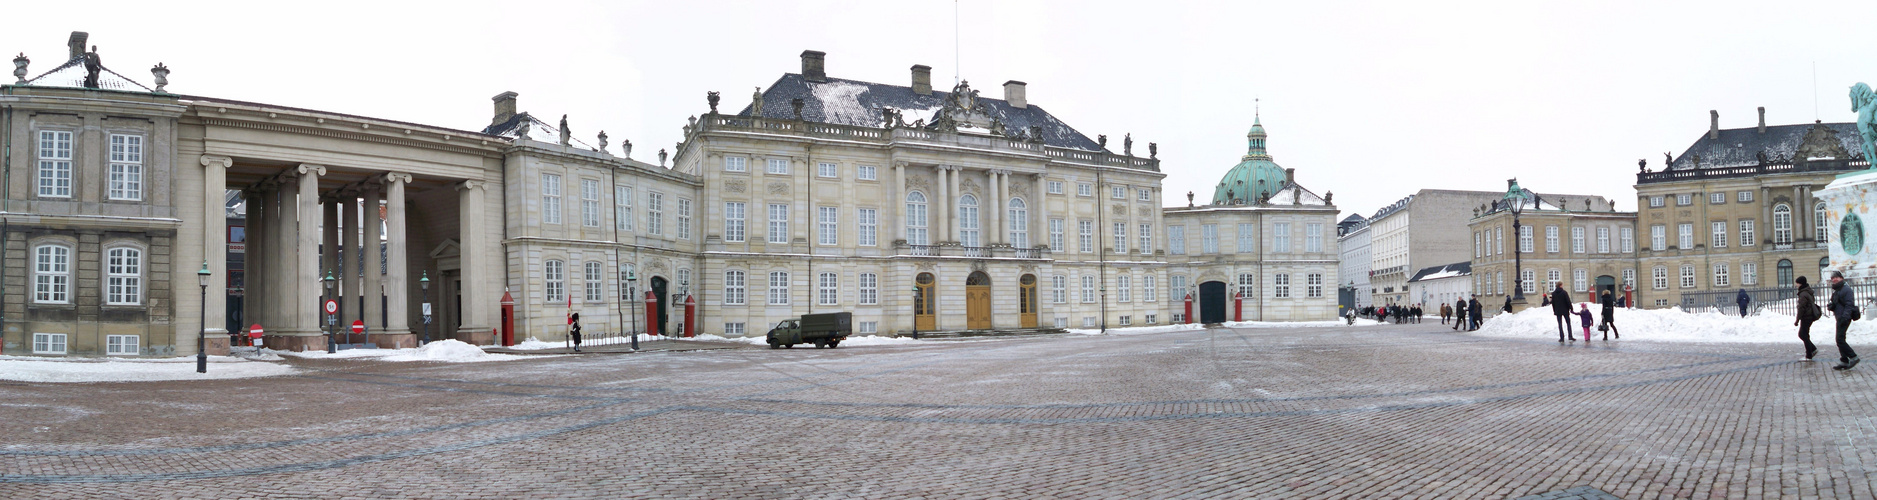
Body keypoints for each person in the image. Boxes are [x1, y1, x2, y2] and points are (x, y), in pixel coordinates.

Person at [1828, 271, 1860, 370]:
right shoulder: (1837, 290)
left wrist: (1845, 317)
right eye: (1833, 278)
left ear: (1841, 278)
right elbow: (1836, 303)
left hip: (1844, 317)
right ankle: (1844, 360)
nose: (1834, 279)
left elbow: (1849, 304)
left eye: (1836, 277)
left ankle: (1853, 357)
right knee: (1840, 339)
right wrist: (1832, 306)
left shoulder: (1847, 290)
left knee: (1839, 339)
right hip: (1839, 316)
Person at [1795, 276, 1820, 360]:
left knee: (1803, 334)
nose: (1796, 285)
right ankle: (1812, 350)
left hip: (1806, 316)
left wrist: (1797, 320)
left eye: (1797, 283)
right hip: (1809, 315)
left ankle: (1809, 354)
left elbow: (1801, 308)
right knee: (1804, 334)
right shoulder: (1807, 291)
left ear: (1800, 283)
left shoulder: (1803, 293)